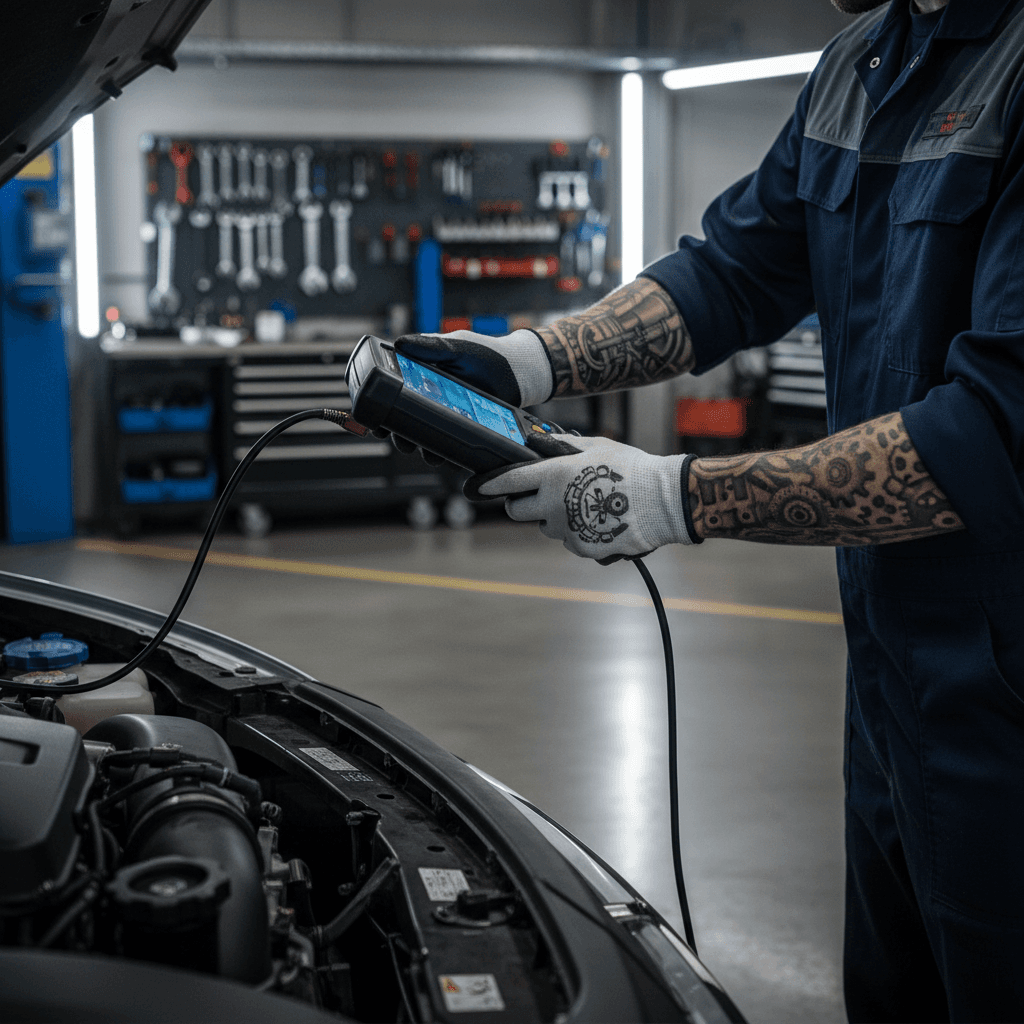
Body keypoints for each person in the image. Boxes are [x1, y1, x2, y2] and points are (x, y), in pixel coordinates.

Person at [394, 0, 1024, 1019]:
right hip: (892, 692)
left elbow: (992, 438)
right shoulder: (861, 63)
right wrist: (526, 362)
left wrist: (675, 497)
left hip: (1005, 713)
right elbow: (730, 272)